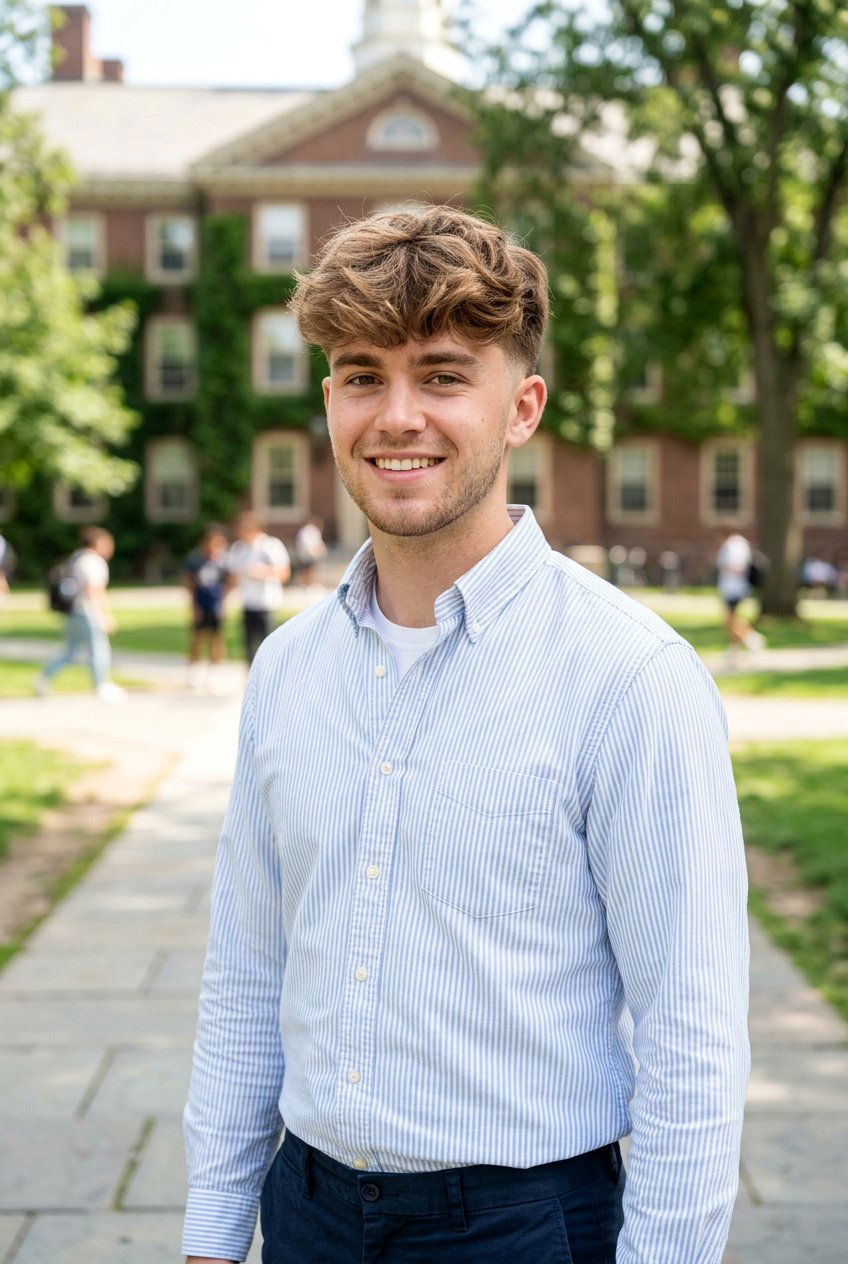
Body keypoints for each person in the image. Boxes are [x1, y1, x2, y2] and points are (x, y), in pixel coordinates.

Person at [183, 208, 749, 1264]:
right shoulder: (286, 672)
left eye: (442, 376)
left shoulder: (629, 676)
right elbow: (247, 978)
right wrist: (213, 1236)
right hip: (301, 1211)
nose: (397, 416)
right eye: (361, 376)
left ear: (520, 405)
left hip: (523, 1226)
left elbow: (692, 1037)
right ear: (329, 400)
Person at [36, 526, 125, 702]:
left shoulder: (77, 557)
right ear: (98, 543)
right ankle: (101, 685)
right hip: (88, 611)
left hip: (74, 610)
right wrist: (106, 615)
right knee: (98, 649)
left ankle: (43, 678)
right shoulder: (93, 561)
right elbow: (94, 589)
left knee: (70, 651)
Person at [226, 512, 290, 665]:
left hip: (266, 603)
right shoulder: (238, 548)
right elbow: (232, 576)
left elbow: (284, 573)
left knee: (268, 645)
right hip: (248, 602)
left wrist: (261, 572)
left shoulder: (271, 545)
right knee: (249, 647)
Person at [184, 526, 231, 691]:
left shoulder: (223, 561)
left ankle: (215, 672)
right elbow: (190, 583)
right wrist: (194, 606)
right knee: (197, 638)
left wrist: (225, 603)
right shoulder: (196, 560)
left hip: (215, 604)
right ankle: (194, 671)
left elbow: (228, 583)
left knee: (216, 639)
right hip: (201, 603)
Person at [716, 530, 765, 658]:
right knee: (731, 619)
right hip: (731, 586)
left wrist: (724, 566)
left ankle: (750, 638)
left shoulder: (735, 545)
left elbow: (736, 566)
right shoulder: (737, 544)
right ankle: (737, 644)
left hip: (734, 587)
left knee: (730, 618)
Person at [293, 514, 327, 587]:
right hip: (307, 555)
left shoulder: (311, 531)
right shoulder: (308, 531)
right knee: (307, 570)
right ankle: (306, 584)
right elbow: (307, 544)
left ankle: (310, 584)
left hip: (311, 554)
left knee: (311, 570)